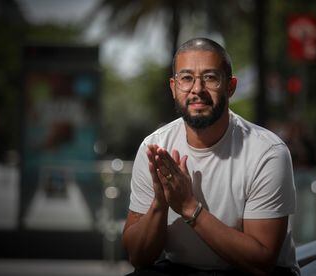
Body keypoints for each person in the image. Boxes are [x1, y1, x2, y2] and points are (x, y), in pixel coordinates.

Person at [123, 37, 299, 276]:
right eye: (186, 78)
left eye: (210, 77)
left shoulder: (267, 152)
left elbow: (262, 262)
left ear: (230, 86)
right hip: (181, 269)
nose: (197, 89)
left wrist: (188, 207)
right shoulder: (155, 148)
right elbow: (138, 257)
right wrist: (160, 203)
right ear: (174, 87)